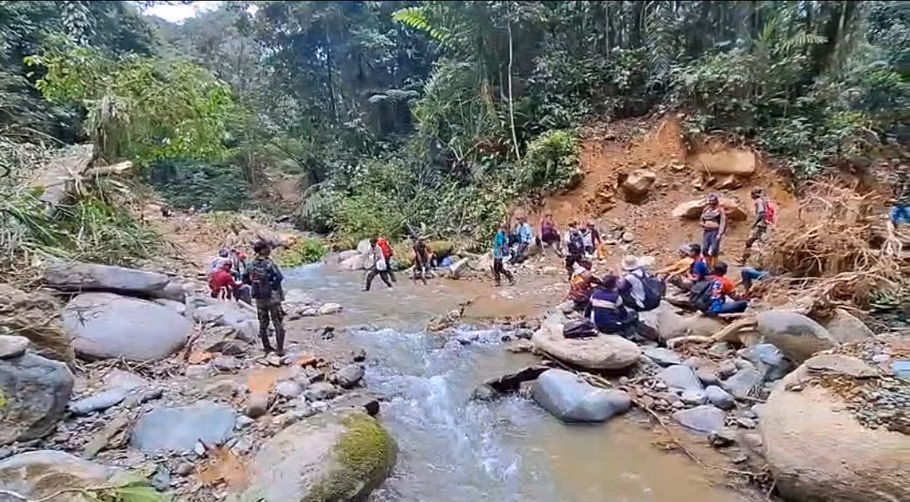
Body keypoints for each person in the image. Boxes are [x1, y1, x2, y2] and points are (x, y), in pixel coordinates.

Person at [243, 241, 286, 355]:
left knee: (263, 323)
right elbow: (279, 277)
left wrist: (256, 285)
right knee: (278, 322)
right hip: (272, 297)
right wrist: (272, 288)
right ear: (262, 250)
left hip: (259, 298)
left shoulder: (251, 264)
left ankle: (267, 348)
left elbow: (244, 279)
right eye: (267, 247)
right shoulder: (269, 263)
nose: (270, 249)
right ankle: (280, 349)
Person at [741, 188, 772, 264]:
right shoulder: (764, 201)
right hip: (764, 224)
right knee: (760, 242)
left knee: (749, 242)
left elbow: (761, 213)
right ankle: (759, 261)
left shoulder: (758, 201)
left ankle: (744, 260)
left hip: (759, 225)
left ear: (754, 194)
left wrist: (754, 223)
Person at [700, 193, 727, 269]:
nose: (711, 202)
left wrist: (720, 233)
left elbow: (723, 222)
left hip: (715, 231)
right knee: (705, 249)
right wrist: (703, 224)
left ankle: (714, 266)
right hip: (707, 231)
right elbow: (701, 220)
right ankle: (708, 265)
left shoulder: (720, 210)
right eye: (710, 200)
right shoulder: (706, 210)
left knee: (714, 249)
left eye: (713, 200)